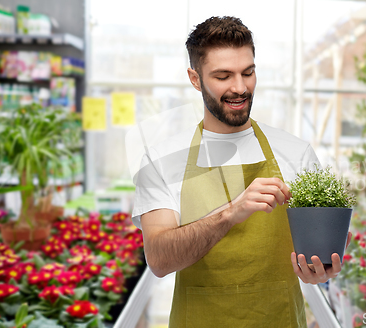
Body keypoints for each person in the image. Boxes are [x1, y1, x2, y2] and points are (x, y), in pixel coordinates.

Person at [131, 16, 352, 327]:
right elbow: (159, 259)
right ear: (195, 79)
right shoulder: (161, 159)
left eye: (248, 73)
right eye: (223, 76)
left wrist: (322, 266)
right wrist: (232, 212)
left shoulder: (295, 152)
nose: (240, 87)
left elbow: (319, 248)